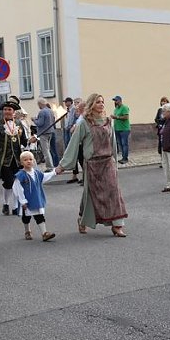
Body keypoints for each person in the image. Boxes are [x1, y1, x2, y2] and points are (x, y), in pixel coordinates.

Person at [56, 93, 128, 237]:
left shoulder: (108, 121)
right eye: (98, 102)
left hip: (107, 162)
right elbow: (74, 143)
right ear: (91, 105)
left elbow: (112, 142)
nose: (101, 104)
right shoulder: (84, 123)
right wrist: (63, 165)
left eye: (102, 102)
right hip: (92, 164)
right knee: (90, 195)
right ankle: (82, 220)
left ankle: (117, 225)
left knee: (114, 192)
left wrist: (115, 161)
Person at [0, 101, 30, 215]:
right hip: (4, 159)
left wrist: (31, 140)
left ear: (13, 112)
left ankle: (15, 207)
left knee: (17, 182)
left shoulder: (18, 123)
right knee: (8, 182)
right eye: (5, 109)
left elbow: (24, 141)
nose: (7, 111)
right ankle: (6, 203)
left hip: (17, 159)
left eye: (9, 109)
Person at [14, 150, 57, 242]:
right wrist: (23, 201)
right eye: (25, 160)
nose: (28, 161)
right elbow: (17, 189)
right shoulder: (20, 176)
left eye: (30, 159)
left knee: (39, 216)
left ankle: (44, 233)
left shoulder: (37, 173)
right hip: (27, 201)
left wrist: (54, 172)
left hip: (36, 199)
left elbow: (45, 177)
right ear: (21, 162)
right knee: (26, 217)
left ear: (34, 161)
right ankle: (27, 230)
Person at [32, 98, 57, 170]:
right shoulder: (50, 111)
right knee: (48, 150)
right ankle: (51, 165)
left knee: (46, 151)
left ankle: (49, 166)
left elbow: (40, 123)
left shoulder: (42, 112)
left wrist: (34, 120)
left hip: (44, 132)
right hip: (50, 131)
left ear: (40, 104)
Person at [110, 95, 131, 164]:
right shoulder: (116, 109)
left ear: (120, 101)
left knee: (124, 144)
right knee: (120, 144)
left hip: (124, 129)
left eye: (116, 100)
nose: (115, 102)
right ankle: (123, 157)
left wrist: (116, 117)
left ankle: (125, 158)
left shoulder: (124, 107)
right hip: (117, 129)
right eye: (114, 101)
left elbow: (126, 117)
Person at [154, 96, 170, 162]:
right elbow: (156, 119)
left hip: (166, 129)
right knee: (161, 145)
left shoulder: (169, 110)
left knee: (167, 144)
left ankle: (167, 160)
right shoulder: (160, 110)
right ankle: (162, 160)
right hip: (160, 129)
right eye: (162, 101)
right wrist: (159, 123)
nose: (163, 102)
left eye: (165, 101)